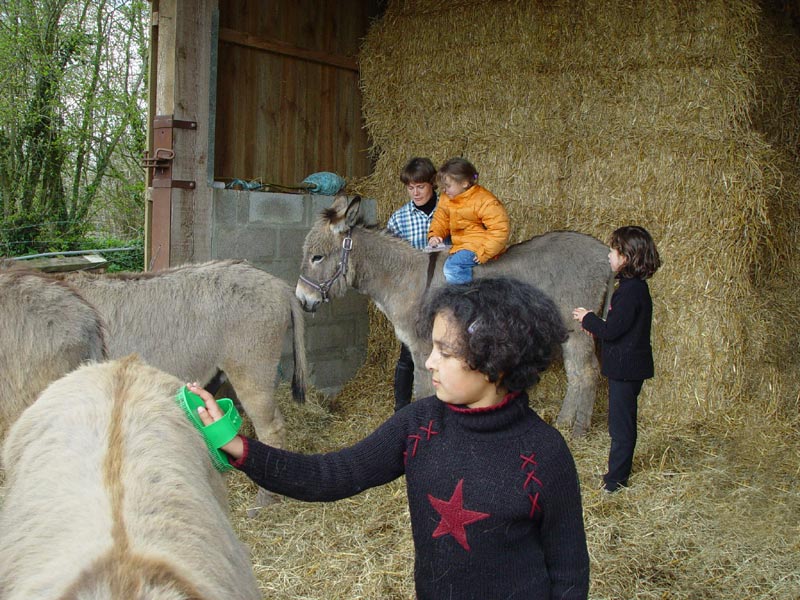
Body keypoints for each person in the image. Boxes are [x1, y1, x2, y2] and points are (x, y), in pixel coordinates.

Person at [192, 277, 590, 600]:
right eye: (432, 347)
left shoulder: (543, 454)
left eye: (445, 352)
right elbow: (332, 474)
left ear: (495, 361)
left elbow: (569, 571)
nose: (429, 362)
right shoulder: (420, 426)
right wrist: (239, 447)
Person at [572, 225, 661, 493]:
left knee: (620, 428)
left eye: (613, 250)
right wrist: (597, 327)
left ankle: (615, 482)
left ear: (627, 257)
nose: (609, 255)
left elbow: (613, 330)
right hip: (628, 367)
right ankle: (616, 473)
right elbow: (620, 329)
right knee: (621, 424)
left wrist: (587, 318)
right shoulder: (634, 288)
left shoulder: (630, 292)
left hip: (626, 369)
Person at [386, 157, 438, 411]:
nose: (415, 193)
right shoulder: (400, 219)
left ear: (433, 184)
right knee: (409, 352)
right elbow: (390, 261)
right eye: (411, 188)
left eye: (421, 187)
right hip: (414, 295)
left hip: (444, 290)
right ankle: (402, 408)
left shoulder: (450, 210)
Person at [427, 157, 510, 284]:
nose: (444, 190)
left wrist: (484, 251)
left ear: (464, 183)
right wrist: (435, 235)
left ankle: (465, 294)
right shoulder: (447, 198)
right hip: (462, 245)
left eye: (448, 186)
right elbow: (441, 219)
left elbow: (500, 229)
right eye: (442, 187)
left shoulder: (484, 200)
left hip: (478, 246)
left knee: (453, 267)